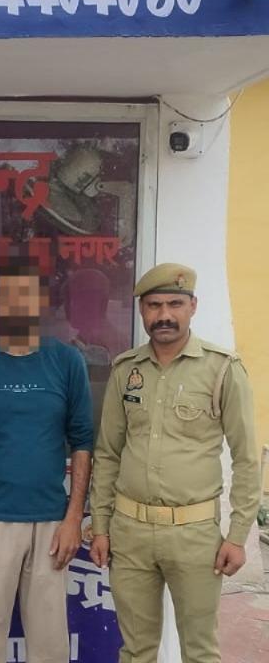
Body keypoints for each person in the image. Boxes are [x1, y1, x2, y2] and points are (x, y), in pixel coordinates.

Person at [90, 263, 261, 663]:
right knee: (136, 650)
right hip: (130, 533)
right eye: (154, 305)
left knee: (199, 651)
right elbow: (108, 453)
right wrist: (100, 526)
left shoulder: (222, 369)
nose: (164, 314)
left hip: (194, 535)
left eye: (174, 304)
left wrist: (237, 536)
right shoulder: (126, 370)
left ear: (192, 306)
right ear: (142, 310)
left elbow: (247, 459)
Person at [0, 262, 93, 663]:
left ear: (42, 301)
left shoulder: (67, 361)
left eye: (27, 294)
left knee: (49, 644)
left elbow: (83, 443)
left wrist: (74, 517)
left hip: (51, 522)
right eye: (9, 294)